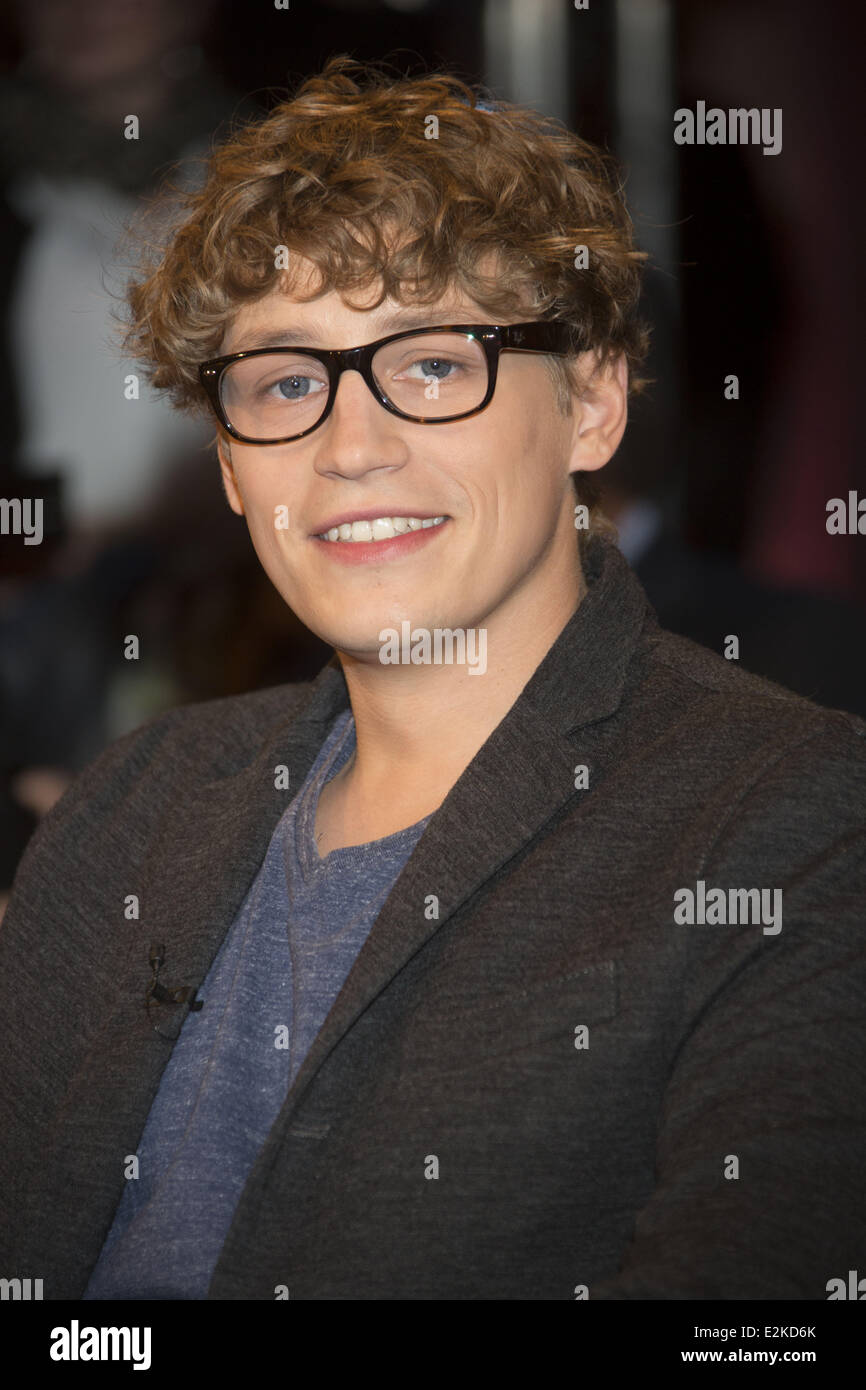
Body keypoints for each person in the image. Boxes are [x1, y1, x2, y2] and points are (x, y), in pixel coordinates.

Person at [0, 56, 863, 1302]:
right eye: (285, 382)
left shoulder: (792, 820)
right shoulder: (130, 807)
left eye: (434, 364)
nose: (349, 446)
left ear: (592, 403)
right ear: (230, 465)